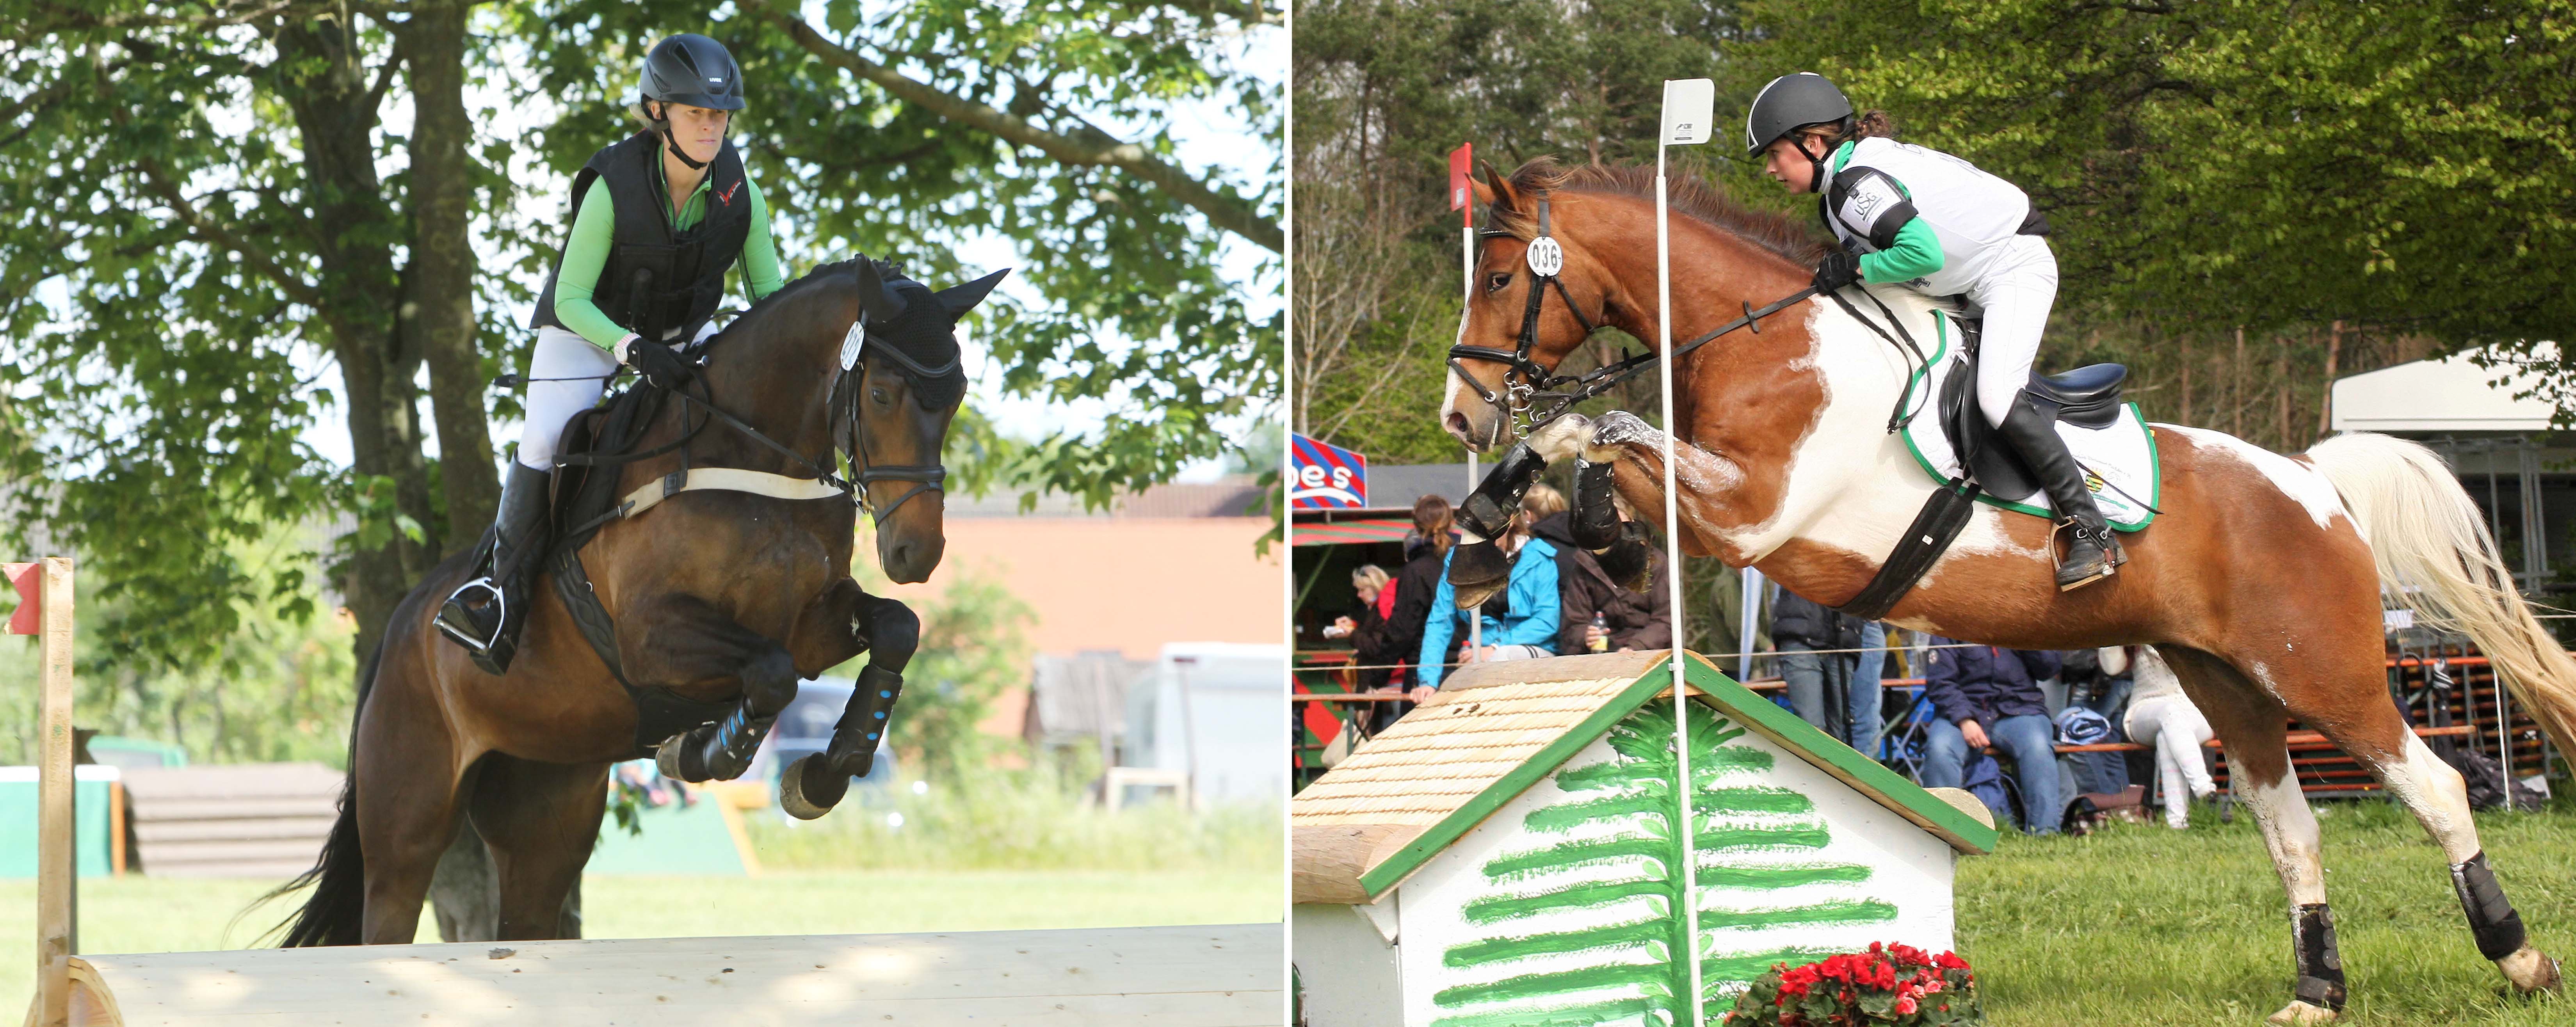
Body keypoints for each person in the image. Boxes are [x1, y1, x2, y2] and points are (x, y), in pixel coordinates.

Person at [437, 34, 789, 672]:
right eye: (696, 114)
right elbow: (571, 297)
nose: (711, 129)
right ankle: (497, 594)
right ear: (660, 114)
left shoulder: (743, 194)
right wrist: (632, 350)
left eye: (719, 116)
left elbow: (769, 298)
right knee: (545, 440)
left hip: (682, 339)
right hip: (588, 335)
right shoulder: (614, 186)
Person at [1745, 72, 2121, 591]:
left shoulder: (1854, 185)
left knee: (1994, 395)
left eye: (1774, 154)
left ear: (1811, 144)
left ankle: (2091, 529)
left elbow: (1923, 254)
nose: (1770, 169)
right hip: (1962, 282)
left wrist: (1855, 271)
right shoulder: (1843, 187)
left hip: (2010, 269)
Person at [1416, 485, 1565, 692]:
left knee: (1501, 658)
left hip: (1534, 653)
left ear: (1511, 521)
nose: (1485, 534)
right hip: (1477, 657)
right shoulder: (1458, 561)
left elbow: (1547, 620)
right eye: (1478, 527)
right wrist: (1427, 681)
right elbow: (1440, 621)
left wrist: (1496, 647)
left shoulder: (1539, 559)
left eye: (1492, 526)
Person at [1920, 639, 2064, 834]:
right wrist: (1965, 719)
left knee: (2038, 747)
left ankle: (2046, 832)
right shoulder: (1949, 622)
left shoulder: (2022, 618)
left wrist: (2025, 631)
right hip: (1962, 712)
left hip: (2018, 709)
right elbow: (1940, 682)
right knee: (1940, 749)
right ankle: (1941, 833)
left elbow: (2048, 669)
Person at [1530, 498, 1671, 657]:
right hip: (1600, 655)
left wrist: (1636, 647)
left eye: (1623, 527)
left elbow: (1666, 620)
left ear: (1633, 525)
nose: (1618, 536)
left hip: (1649, 653)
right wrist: (1586, 636)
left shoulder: (1656, 562)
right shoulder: (1584, 564)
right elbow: (1573, 625)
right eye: (1610, 531)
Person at [1769, 588, 1879, 760]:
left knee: (1838, 733)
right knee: (1812, 730)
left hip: (1844, 636)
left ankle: (1836, 784)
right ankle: (1810, 784)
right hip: (1799, 632)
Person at [2119, 646, 2217, 828]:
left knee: (2167, 736)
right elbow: (2111, 668)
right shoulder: (2133, 636)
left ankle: (2177, 821)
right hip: (2145, 708)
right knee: (2170, 713)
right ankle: (2202, 785)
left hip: (2193, 709)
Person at [1383, 494, 1455, 706]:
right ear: (1452, 522)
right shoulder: (1466, 559)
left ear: (1416, 526)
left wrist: (1378, 674)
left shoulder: (1415, 571)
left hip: (1423, 670)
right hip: (1467, 661)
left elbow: (1403, 629)